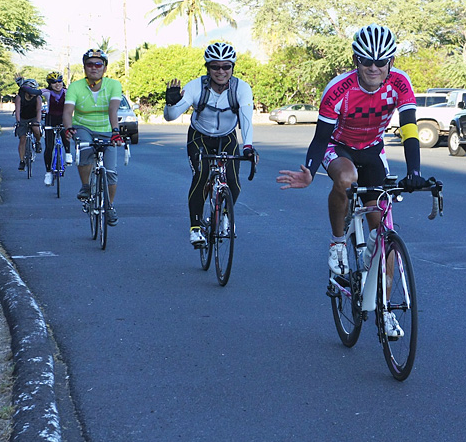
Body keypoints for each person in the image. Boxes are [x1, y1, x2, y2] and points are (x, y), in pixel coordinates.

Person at [276, 24, 425, 337]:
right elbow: (320, 139)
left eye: (380, 62)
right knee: (347, 178)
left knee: (385, 234)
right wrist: (309, 169)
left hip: (373, 151)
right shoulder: (339, 89)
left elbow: (410, 128)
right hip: (338, 147)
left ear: (391, 62)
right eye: (366, 61)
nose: (373, 67)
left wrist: (414, 172)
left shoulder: (401, 84)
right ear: (356, 60)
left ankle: (384, 312)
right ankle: (338, 242)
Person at [163, 42, 257, 247]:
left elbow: (246, 118)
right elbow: (171, 117)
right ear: (207, 67)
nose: (221, 71)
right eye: (215, 66)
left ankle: (224, 215)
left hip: (227, 137)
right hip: (199, 136)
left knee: (233, 180)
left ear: (233, 67)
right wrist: (170, 103)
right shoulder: (196, 86)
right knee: (202, 174)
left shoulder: (241, 88)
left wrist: (248, 147)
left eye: (226, 66)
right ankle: (196, 228)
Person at [62, 49, 123, 226]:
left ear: (104, 68)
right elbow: (68, 112)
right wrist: (68, 128)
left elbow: (113, 110)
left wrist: (115, 131)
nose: (94, 68)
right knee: (85, 148)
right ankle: (86, 186)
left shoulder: (113, 85)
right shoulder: (75, 86)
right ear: (84, 67)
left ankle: (110, 206)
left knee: (111, 173)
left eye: (98, 64)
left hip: (106, 128)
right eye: (90, 64)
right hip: (83, 126)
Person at [41, 71, 72, 186]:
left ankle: (68, 153)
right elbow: (34, 92)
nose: (57, 84)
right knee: (49, 147)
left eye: (59, 81)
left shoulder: (67, 92)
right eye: (54, 82)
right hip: (50, 119)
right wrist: (22, 85)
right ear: (49, 84)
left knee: (65, 132)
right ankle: (48, 172)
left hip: (63, 118)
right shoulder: (47, 92)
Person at [14, 78, 43, 171]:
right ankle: (22, 161)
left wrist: (37, 122)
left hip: (33, 117)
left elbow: (39, 110)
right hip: (23, 118)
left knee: (36, 130)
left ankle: (38, 142)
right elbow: (17, 110)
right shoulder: (20, 97)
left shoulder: (38, 98)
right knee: (22, 139)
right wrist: (18, 122)